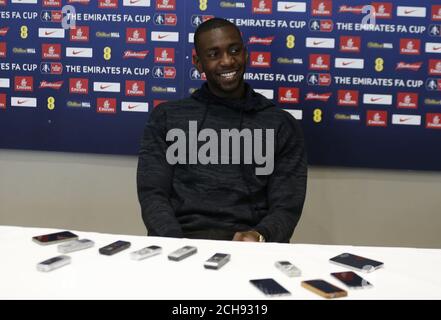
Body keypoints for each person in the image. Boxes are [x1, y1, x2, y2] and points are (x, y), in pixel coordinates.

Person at [137, 18, 307, 243]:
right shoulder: (167, 118)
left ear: (245, 54)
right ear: (198, 63)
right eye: (214, 54)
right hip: (180, 243)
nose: (227, 61)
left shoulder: (280, 124)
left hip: (251, 249)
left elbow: (287, 205)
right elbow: (152, 194)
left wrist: (261, 235)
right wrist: (175, 243)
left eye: (234, 50)